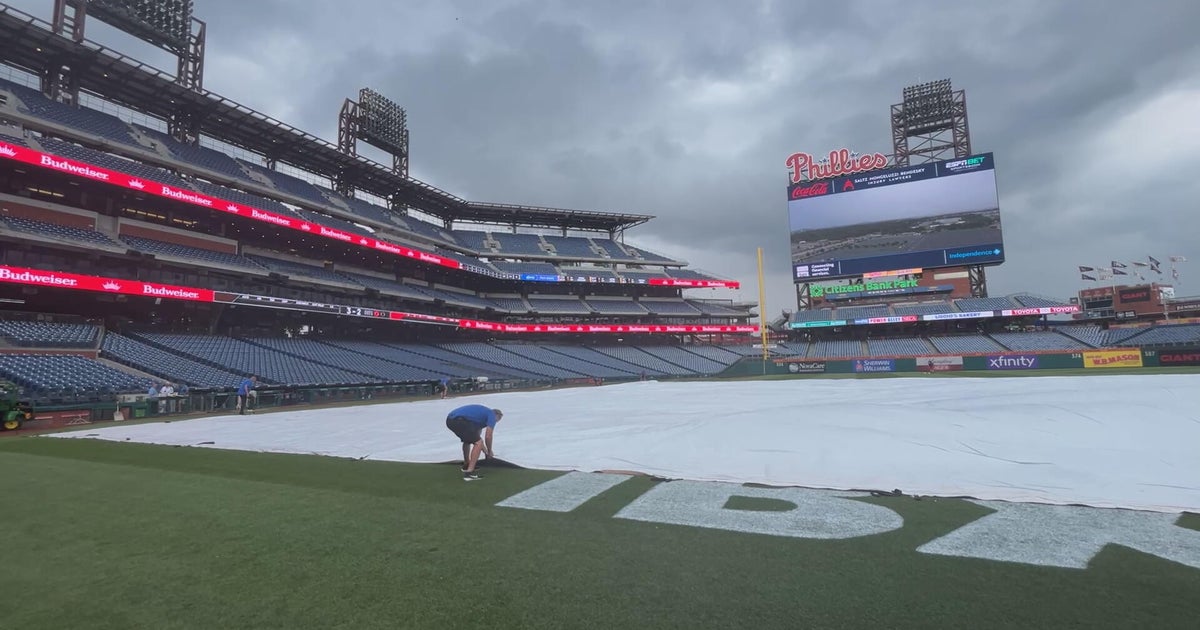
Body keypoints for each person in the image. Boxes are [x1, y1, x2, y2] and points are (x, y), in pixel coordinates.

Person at [445, 404, 502, 481]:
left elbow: (476, 437)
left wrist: (486, 452)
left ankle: (466, 464)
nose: (494, 423)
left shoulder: (479, 418)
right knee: (478, 443)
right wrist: (489, 450)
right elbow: (488, 436)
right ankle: (468, 473)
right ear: (497, 415)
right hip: (459, 420)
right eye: (496, 421)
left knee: (467, 441)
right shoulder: (491, 414)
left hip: (450, 420)